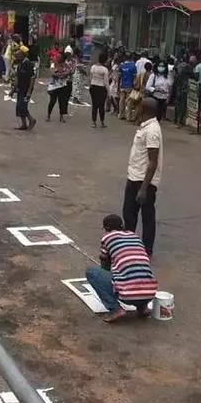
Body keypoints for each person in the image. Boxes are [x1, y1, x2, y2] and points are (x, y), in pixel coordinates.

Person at [86, 214, 158, 324]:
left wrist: (106, 260)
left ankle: (115, 309)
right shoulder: (134, 236)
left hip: (128, 295)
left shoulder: (107, 237)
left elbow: (105, 267)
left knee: (91, 272)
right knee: (138, 271)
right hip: (150, 293)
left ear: (106, 229)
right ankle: (142, 308)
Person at [123, 97, 162, 257]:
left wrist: (144, 189)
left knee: (147, 216)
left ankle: (147, 250)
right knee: (129, 215)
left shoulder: (152, 130)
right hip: (134, 176)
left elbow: (153, 161)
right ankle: (129, 246)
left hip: (143, 181)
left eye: (138, 107)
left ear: (144, 109)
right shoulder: (145, 126)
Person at [12, 47, 36, 131]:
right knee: (19, 107)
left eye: (17, 56)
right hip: (20, 88)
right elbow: (17, 78)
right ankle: (24, 124)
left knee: (22, 106)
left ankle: (31, 120)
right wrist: (13, 90)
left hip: (26, 89)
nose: (16, 58)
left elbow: (32, 78)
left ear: (22, 56)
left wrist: (29, 91)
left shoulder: (28, 64)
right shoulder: (20, 65)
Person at [46, 52, 71, 123]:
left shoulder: (65, 65)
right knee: (52, 101)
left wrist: (61, 74)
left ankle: (61, 116)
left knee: (62, 101)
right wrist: (61, 74)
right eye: (57, 56)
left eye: (59, 57)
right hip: (54, 86)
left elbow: (68, 72)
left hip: (62, 85)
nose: (58, 58)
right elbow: (52, 72)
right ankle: (48, 115)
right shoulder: (53, 64)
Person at [173, 55, 195, 127]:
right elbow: (193, 76)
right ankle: (180, 120)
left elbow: (175, 76)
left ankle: (175, 119)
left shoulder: (178, 65)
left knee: (177, 103)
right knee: (183, 104)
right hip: (184, 87)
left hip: (178, 87)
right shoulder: (188, 67)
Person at [89, 53, 109, 127]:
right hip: (101, 88)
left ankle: (94, 122)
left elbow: (90, 78)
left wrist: (90, 85)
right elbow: (106, 82)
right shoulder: (105, 69)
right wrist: (109, 93)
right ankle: (102, 122)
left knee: (94, 105)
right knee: (101, 105)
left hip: (93, 87)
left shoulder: (93, 67)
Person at [118, 52, 137, 119]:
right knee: (129, 101)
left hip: (122, 85)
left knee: (121, 100)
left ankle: (121, 114)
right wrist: (135, 86)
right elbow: (135, 77)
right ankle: (128, 116)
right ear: (131, 57)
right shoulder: (133, 66)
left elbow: (119, 77)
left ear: (124, 58)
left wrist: (118, 86)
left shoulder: (121, 65)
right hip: (130, 85)